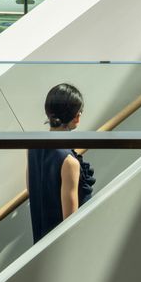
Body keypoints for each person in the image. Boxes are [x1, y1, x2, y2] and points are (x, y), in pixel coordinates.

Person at [28, 82, 95, 243]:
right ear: (76, 116)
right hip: (61, 249)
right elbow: (70, 223)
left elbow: (33, 190)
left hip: (40, 239)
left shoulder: (32, 146)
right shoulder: (69, 162)